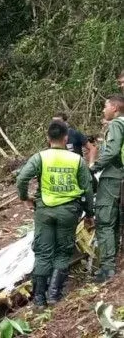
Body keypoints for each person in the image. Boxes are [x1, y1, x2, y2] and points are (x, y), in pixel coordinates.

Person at [17, 121, 94, 308]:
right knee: (63, 252)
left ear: (48, 138)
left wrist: (25, 197)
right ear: (66, 138)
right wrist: (90, 213)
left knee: (43, 254)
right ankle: (54, 295)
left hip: (44, 211)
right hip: (68, 211)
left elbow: (21, 178)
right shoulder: (76, 160)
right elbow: (87, 189)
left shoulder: (40, 158)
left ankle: (39, 299)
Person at [89, 95, 124, 282]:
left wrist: (93, 168)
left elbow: (111, 151)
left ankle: (107, 268)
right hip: (121, 177)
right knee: (116, 221)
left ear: (115, 109)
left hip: (112, 177)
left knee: (104, 221)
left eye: (105, 106)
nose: (103, 110)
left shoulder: (116, 124)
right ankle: (112, 264)